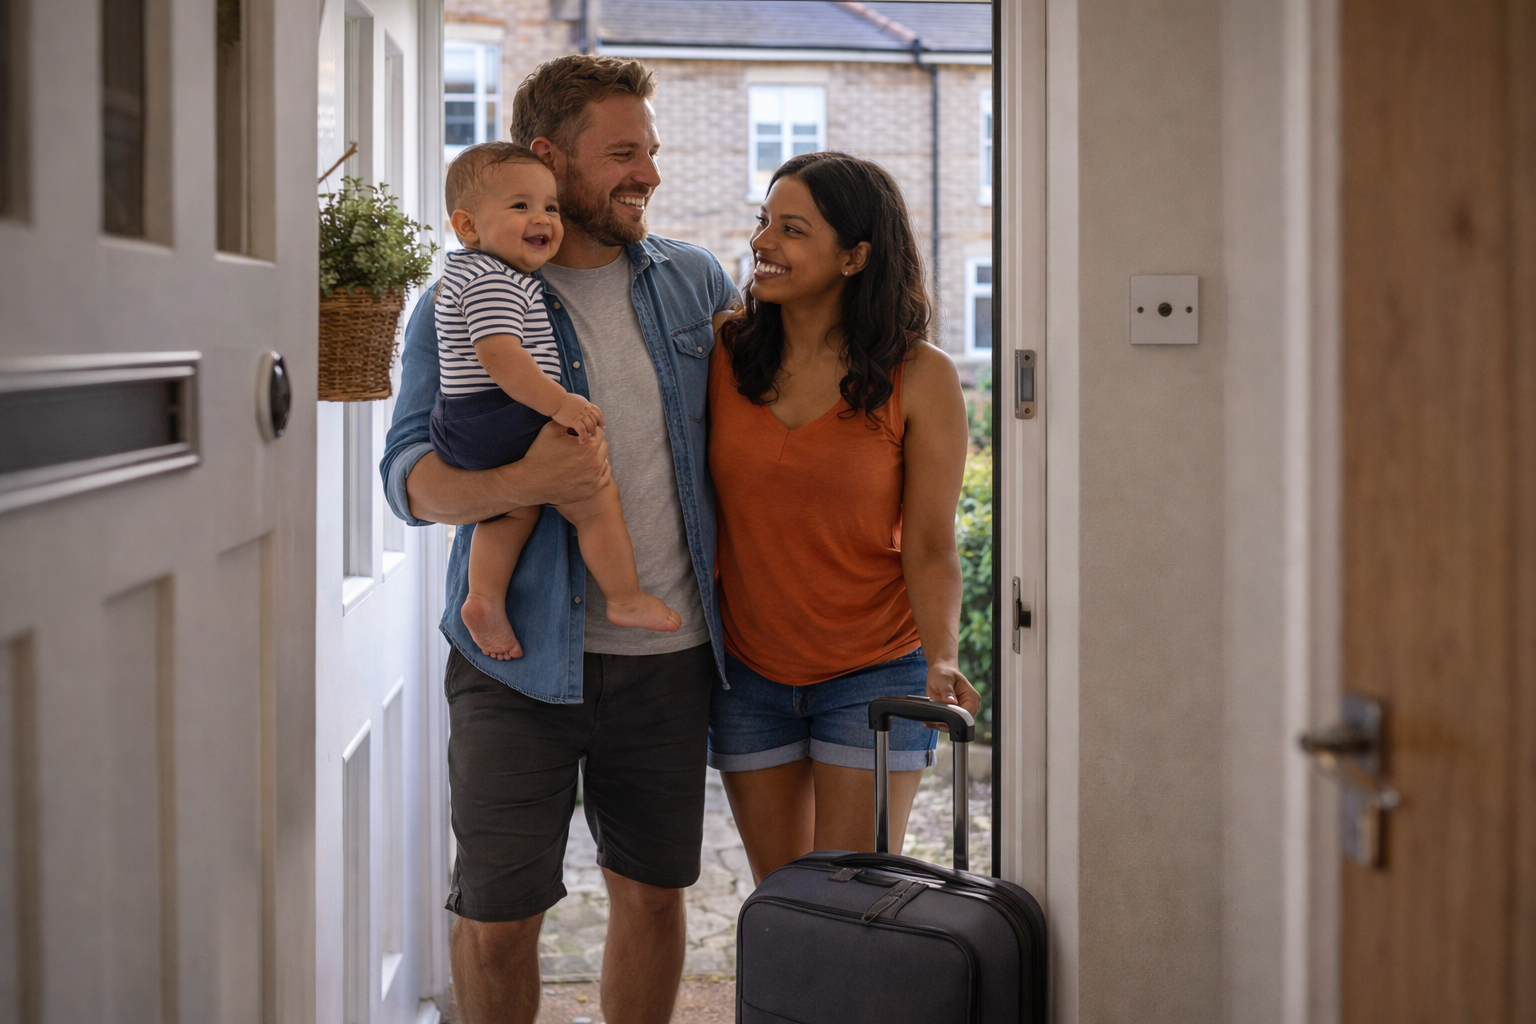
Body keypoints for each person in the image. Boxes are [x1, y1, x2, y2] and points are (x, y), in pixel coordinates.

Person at [379, 55, 739, 1024]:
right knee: (498, 922)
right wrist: (527, 484)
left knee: (653, 896)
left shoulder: (695, 282)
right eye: (622, 154)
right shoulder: (461, 299)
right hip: (515, 663)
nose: (649, 174)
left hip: (668, 657)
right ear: (549, 155)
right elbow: (408, 480)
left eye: (650, 151)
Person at [708, 151, 983, 883]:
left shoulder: (921, 376)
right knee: (783, 898)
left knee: (850, 898)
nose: (763, 242)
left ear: (855, 256)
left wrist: (943, 654)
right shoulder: (722, 352)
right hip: (747, 671)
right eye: (764, 221)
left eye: (792, 229)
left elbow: (930, 543)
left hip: (875, 667)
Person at [430, 142, 681, 661]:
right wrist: (561, 403)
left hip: (470, 422)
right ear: (468, 226)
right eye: (520, 206)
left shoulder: (468, 273)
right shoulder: (494, 279)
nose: (542, 218)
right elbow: (500, 357)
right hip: (498, 413)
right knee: (594, 498)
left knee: (510, 512)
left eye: (550, 207)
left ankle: (483, 599)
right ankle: (625, 597)